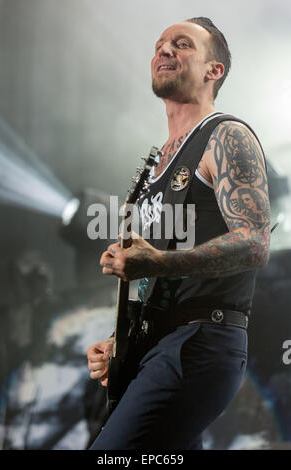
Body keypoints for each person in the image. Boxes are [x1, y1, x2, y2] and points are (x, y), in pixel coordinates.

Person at [87, 17, 270, 450]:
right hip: (160, 343)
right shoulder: (155, 166)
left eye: (182, 44)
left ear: (214, 70)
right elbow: (160, 283)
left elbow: (256, 242)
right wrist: (121, 342)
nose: (164, 50)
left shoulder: (225, 136)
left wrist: (160, 261)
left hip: (201, 339)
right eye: (160, 44)